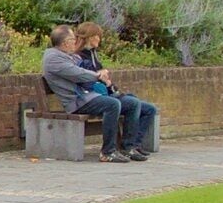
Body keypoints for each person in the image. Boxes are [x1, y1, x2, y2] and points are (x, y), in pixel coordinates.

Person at [45, 24, 156, 161]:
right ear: (65, 43)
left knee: (132, 103)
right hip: (77, 101)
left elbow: (84, 71)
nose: (76, 41)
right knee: (112, 104)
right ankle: (108, 152)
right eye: (73, 39)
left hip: (89, 96)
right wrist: (98, 75)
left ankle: (128, 148)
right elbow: (78, 74)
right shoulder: (53, 59)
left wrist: (100, 76)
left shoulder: (68, 56)